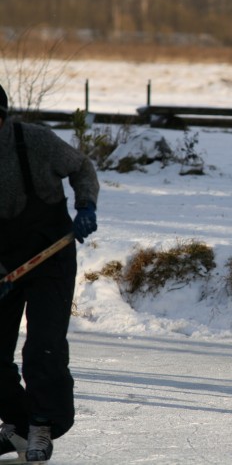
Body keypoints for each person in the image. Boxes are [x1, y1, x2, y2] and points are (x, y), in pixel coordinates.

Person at [0, 83, 99, 462]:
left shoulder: (36, 142)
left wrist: (86, 205)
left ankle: (42, 425)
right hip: (4, 265)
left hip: (51, 258)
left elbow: (81, 167)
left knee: (43, 347)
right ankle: (17, 425)